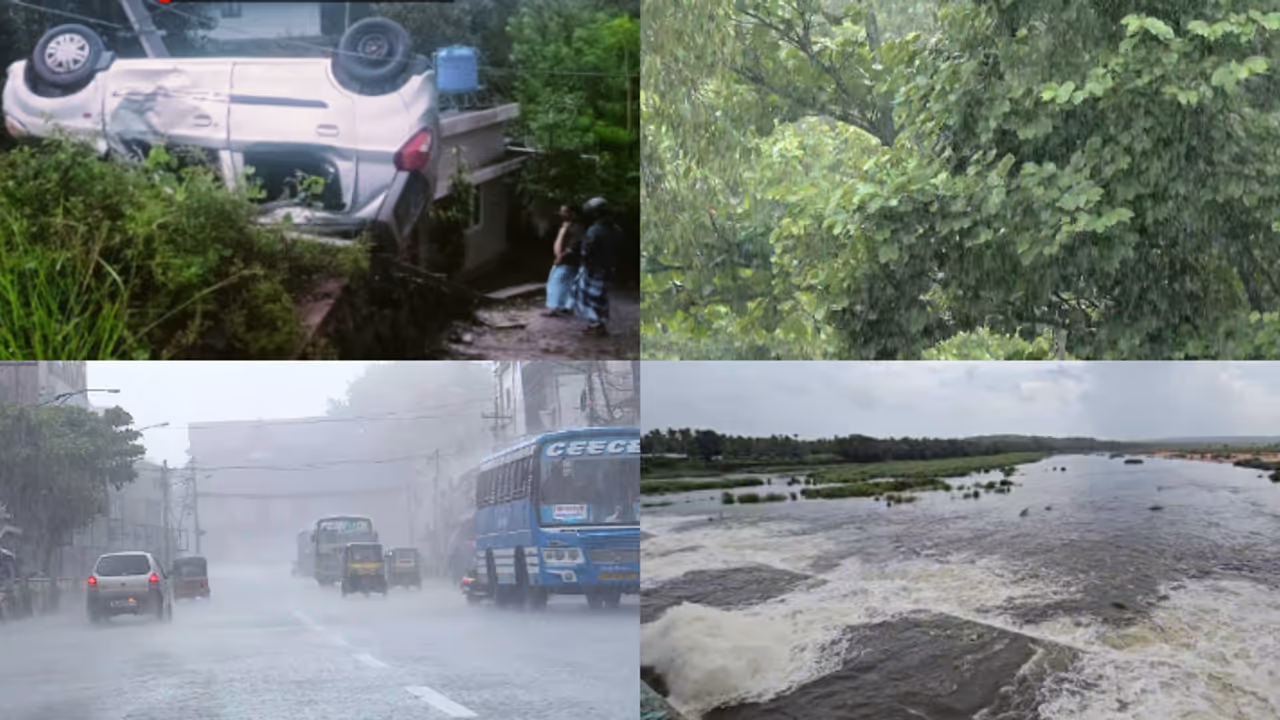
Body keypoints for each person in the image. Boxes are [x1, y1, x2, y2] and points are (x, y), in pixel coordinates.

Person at [575, 197, 622, 335]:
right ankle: (599, 323)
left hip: (593, 268)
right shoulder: (617, 230)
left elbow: (586, 251)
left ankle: (595, 324)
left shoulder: (594, 230)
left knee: (589, 297)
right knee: (601, 296)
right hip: (608, 268)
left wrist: (584, 259)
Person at [543, 204, 584, 317]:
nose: (561, 213)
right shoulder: (567, 226)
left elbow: (573, 246)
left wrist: (561, 257)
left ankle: (553, 307)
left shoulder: (577, 228)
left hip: (568, 261)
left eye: (564, 211)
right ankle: (566, 306)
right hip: (566, 260)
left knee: (556, 282)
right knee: (567, 283)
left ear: (572, 213)